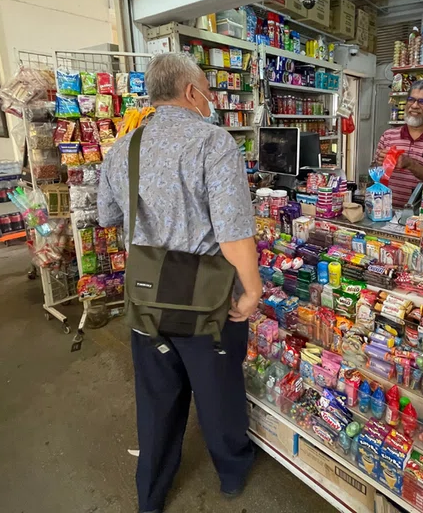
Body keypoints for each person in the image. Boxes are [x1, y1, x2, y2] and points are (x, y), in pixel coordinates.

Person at [97, 52, 261, 513]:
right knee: (218, 393)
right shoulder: (214, 144)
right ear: (191, 92)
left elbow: (109, 216)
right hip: (205, 301)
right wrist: (252, 291)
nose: (210, 98)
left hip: (146, 297)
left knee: (155, 400)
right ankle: (231, 473)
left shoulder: (122, 147)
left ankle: (150, 492)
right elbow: (233, 234)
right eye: (207, 89)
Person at [374, 79, 423, 207]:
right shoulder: (388, 135)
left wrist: (410, 164)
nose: (414, 106)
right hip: (386, 209)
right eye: (411, 99)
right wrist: (380, 163)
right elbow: (375, 170)